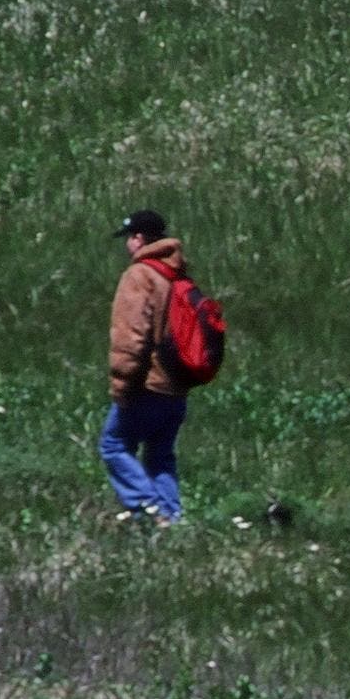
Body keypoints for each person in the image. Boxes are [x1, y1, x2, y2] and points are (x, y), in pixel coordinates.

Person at [103, 208, 195, 526]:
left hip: (147, 382)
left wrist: (121, 385)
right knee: (160, 455)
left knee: (113, 445)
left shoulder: (140, 276)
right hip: (178, 383)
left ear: (138, 238)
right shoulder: (179, 273)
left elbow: (131, 338)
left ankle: (151, 509)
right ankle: (172, 516)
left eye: (129, 238)